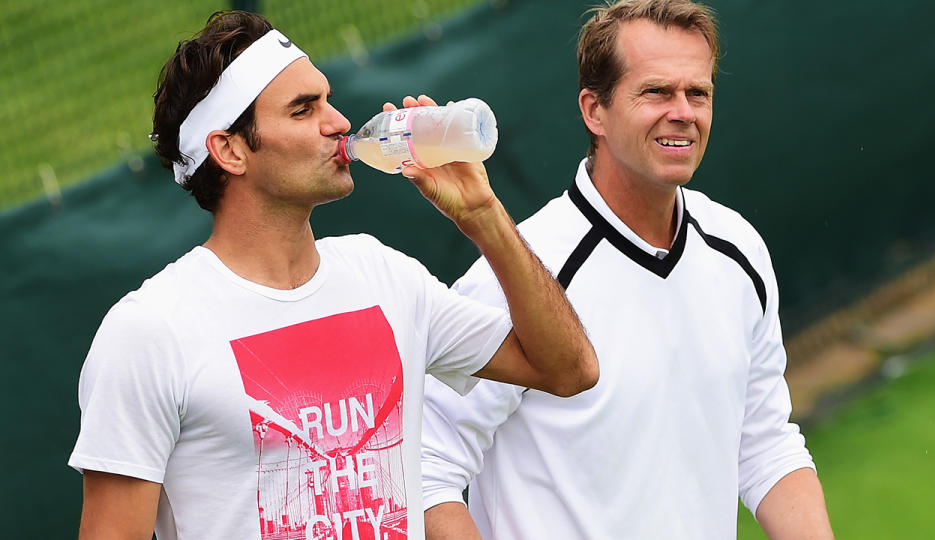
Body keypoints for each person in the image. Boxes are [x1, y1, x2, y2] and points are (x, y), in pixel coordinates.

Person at [68, 11, 598, 540]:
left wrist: (483, 216)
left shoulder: (382, 273)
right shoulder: (149, 332)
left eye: (327, 99)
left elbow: (568, 369)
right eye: (303, 111)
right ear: (229, 150)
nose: (340, 122)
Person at [420, 1, 834, 538]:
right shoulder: (514, 275)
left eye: (698, 93)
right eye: (657, 92)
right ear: (595, 110)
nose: (683, 111)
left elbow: (765, 441)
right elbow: (427, 471)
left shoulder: (739, 250)